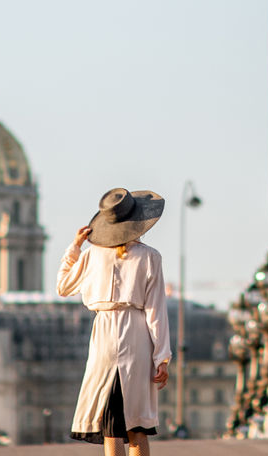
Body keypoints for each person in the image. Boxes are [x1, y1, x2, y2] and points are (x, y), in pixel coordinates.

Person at [59, 188, 171, 456]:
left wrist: (75, 247)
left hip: (104, 333)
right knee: (137, 426)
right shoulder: (150, 256)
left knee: (111, 425)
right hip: (137, 332)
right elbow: (156, 309)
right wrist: (162, 357)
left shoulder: (91, 255)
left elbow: (63, 286)